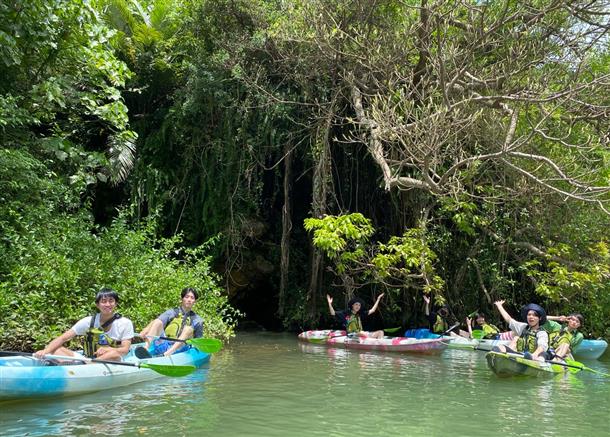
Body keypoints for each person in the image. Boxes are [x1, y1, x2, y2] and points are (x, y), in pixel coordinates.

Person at [34, 288, 134, 361]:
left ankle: (85, 367)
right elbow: (62, 338)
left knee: (112, 354)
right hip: (88, 359)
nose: (108, 304)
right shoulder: (88, 321)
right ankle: (71, 367)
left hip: (113, 360)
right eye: (103, 301)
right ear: (97, 305)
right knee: (57, 349)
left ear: (116, 304)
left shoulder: (125, 323)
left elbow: (125, 350)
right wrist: (45, 351)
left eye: (111, 301)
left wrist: (108, 349)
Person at [139, 287, 204, 356]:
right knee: (158, 322)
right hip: (163, 344)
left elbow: (198, 340)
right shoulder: (171, 312)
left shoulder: (197, 320)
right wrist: (146, 329)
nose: (189, 300)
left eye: (192, 298)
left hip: (179, 348)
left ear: (195, 301)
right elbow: (157, 321)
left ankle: (168, 353)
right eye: (187, 297)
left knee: (188, 329)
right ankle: (145, 348)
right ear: (182, 299)